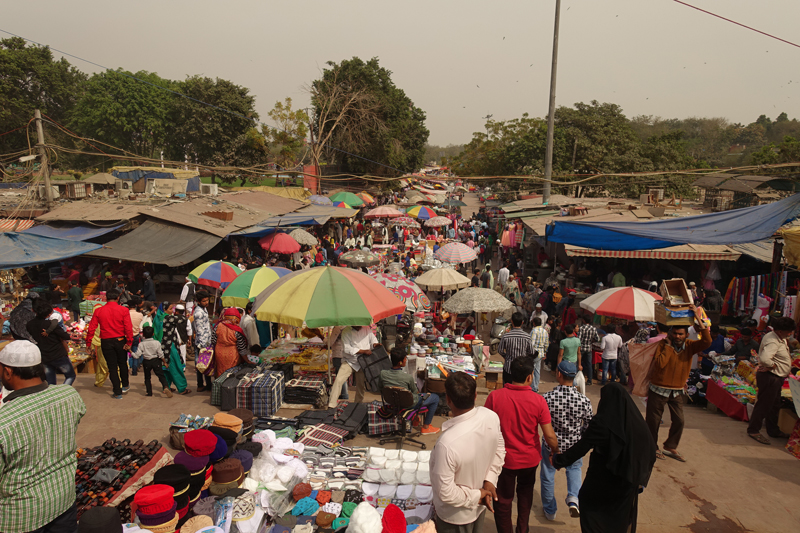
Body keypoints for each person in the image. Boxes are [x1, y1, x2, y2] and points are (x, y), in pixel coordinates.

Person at [0, 340, 86, 533]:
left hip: (20, 517)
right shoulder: (68, 395)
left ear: (8, 371)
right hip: (63, 500)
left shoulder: (4, 420)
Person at [552, 383, 657, 533]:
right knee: (619, 516)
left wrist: (558, 460)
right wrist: (640, 478)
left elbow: (582, 447)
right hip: (628, 479)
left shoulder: (603, 422)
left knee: (590, 507)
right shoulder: (636, 423)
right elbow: (650, 451)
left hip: (604, 478)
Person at [485, 358, 558, 533]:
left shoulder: (495, 397)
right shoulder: (538, 400)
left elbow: (485, 428)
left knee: (503, 499)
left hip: (503, 461)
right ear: (530, 377)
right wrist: (555, 451)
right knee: (525, 497)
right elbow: (549, 435)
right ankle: (522, 530)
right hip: (529, 460)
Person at [430, 372, 506, 533]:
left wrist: (481, 491)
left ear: (448, 399)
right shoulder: (490, 416)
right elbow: (500, 450)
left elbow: (446, 493)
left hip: (455, 516)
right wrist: (489, 481)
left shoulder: (447, 443)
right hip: (478, 505)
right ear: (476, 395)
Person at [646, 305, 711, 461]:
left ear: (686, 335)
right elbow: (660, 364)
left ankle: (670, 446)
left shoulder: (690, 345)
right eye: (674, 333)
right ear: (670, 333)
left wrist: (698, 319)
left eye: (680, 334)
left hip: (677, 390)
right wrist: (668, 346)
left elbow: (707, 341)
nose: (677, 336)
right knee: (653, 421)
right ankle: (651, 447)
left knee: (679, 420)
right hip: (658, 388)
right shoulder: (662, 345)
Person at [540, 361, 594, 521]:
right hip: (574, 445)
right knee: (575, 470)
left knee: (548, 475)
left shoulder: (547, 398)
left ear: (559, 374)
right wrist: (580, 436)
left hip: (551, 444)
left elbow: (542, 421)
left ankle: (550, 511)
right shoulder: (584, 401)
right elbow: (589, 424)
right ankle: (573, 498)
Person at [747, 317, 797, 444]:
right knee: (764, 405)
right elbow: (765, 359)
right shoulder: (773, 341)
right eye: (789, 331)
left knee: (774, 405)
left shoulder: (778, 338)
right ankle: (753, 430)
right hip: (771, 377)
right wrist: (773, 366)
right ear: (780, 331)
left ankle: (773, 430)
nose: (790, 334)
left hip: (776, 377)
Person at [380, 347, 440, 434]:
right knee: (435, 398)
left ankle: (415, 418)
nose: (406, 360)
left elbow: (381, 389)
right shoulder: (407, 377)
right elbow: (416, 392)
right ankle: (426, 427)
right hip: (408, 404)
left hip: (392, 402)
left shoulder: (383, 374)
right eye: (405, 359)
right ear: (401, 362)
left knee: (421, 396)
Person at [85, 289, 133, 399]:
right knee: (122, 363)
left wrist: (88, 343)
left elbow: (91, 328)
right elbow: (128, 328)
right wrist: (129, 342)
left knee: (112, 366)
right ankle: (125, 385)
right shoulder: (124, 310)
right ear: (118, 298)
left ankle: (118, 392)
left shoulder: (99, 311)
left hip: (106, 341)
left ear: (106, 298)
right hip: (121, 340)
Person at [26, 299, 77, 387]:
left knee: (50, 380)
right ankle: (62, 392)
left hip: (44, 355)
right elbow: (65, 336)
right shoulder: (49, 324)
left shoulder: (30, 324)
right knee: (70, 375)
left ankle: (52, 396)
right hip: (58, 354)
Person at [328, 325, 379, 407]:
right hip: (350, 361)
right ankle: (331, 404)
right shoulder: (346, 331)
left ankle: (357, 405)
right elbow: (347, 349)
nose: (359, 327)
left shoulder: (367, 329)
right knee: (339, 380)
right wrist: (363, 351)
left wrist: (375, 345)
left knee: (361, 386)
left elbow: (373, 340)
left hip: (363, 362)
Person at [497, 312, 535, 387]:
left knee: (507, 389)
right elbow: (531, 352)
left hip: (508, 368)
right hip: (522, 369)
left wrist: (506, 356)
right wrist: (524, 357)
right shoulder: (527, 337)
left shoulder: (506, 336)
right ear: (522, 322)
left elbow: (500, 350)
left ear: (512, 322)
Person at [134, 325, 173, 398]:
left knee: (147, 377)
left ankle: (149, 392)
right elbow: (160, 354)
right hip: (156, 360)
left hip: (146, 362)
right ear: (153, 334)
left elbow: (137, 355)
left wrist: (130, 351)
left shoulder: (141, 344)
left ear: (143, 335)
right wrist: (164, 362)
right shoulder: (156, 342)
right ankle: (165, 387)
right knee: (161, 375)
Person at [212, 308, 249, 376]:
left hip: (219, 354)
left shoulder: (218, 326)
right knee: (231, 374)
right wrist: (247, 360)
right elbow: (241, 349)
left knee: (220, 371)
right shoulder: (237, 330)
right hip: (232, 355)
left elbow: (213, 341)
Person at [193, 291, 214, 392]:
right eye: (204, 301)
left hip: (207, 342)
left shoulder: (204, 310)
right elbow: (199, 330)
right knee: (201, 365)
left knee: (207, 364)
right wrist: (203, 346)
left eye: (207, 300)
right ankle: (201, 384)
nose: (206, 302)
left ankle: (208, 384)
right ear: (198, 301)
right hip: (202, 344)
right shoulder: (198, 313)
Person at [577, 318, 600, 385]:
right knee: (589, 364)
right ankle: (590, 380)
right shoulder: (593, 328)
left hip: (581, 348)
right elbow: (597, 339)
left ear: (584, 320)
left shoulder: (581, 328)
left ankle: (577, 379)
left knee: (579, 363)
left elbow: (579, 339)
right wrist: (591, 341)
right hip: (589, 348)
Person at [529, 317, 548, 392]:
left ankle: (534, 387)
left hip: (534, 353)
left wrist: (529, 353)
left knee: (532, 370)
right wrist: (545, 352)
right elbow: (546, 343)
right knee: (537, 370)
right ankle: (536, 386)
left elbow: (532, 343)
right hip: (541, 353)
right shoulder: (545, 331)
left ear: (534, 323)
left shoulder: (534, 331)